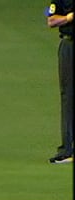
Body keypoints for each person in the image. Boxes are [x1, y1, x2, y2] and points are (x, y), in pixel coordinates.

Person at [47, 1, 74, 164]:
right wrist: (69, 17)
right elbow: (51, 21)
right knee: (68, 96)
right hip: (69, 44)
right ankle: (67, 150)